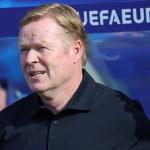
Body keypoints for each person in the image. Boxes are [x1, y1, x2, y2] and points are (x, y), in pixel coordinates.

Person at [0, 3, 150, 150]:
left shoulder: (123, 118)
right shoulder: (7, 122)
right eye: (24, 50)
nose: (29, 59)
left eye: (42, 48)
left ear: (76, 51)